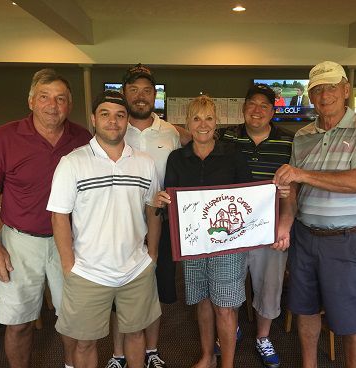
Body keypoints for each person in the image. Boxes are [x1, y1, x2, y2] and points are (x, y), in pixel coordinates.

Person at [0, 68, 92, 368]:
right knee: (18, 322)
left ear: (70, 104)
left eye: (61, 98)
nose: (52, 105)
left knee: (72, 320)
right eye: (44, 97)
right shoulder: (5, 136)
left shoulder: (83, 139)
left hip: (68, 241)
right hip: (19, 243)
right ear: (31, 101)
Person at [274, 61, 356, 368]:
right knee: (304, 310)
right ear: (310, 96)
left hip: (346, 240)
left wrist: (301, 174)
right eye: (317, 90)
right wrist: (285, 224)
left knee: (351, 319)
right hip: (305, 237)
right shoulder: (303, 135)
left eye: (331, 88)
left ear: (346, 90)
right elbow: (294, 191)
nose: (324, 96)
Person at [47, 90, 162, 368]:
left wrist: (152, 255)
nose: (113, 121)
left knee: (135, 334)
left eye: (120, 115)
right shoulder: (72, 163)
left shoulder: (144, 162)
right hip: (88, 271)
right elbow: (59, 217)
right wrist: (68, 266)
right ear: (93, 120)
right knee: (85, 342)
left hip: (135, 268)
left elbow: (153, 209)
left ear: (127, 121)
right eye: (105, 114)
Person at [155, 96, 252, 368]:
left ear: (216, 122)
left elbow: (249, 198)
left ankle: (228, 364)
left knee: (225, 306)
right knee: (203, 301)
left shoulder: (232, 155)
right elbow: (171, 200)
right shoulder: (177, 158)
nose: (203, 124)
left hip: (227, 243)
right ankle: (208, 356)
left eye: (208, 118)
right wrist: (164, 200)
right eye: (196, 118)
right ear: (187, 123)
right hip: (194, 243)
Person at [106, 63, 181, 368]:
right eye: (134, 90)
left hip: (159, 224)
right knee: (117, 294)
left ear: (155, 95)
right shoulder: (114, 128)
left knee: (154, 289)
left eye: (147, 90)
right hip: (120, 225)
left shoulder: (170, 132)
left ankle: (151, 351)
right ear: (124, 93)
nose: (140, 96)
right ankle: (118, 354)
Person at [218, 84, 293, 368]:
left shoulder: (288, 141)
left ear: (273, 111)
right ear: (243, 107)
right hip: (230, 228)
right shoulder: (226, 136)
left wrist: (284, 226)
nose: (257, 110)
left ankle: (263, 336)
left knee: (269, 287)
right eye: (252, 104)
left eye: (264, 106)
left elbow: (292, 189)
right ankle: (230, 329)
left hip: (269, 229)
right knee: (228, 284)